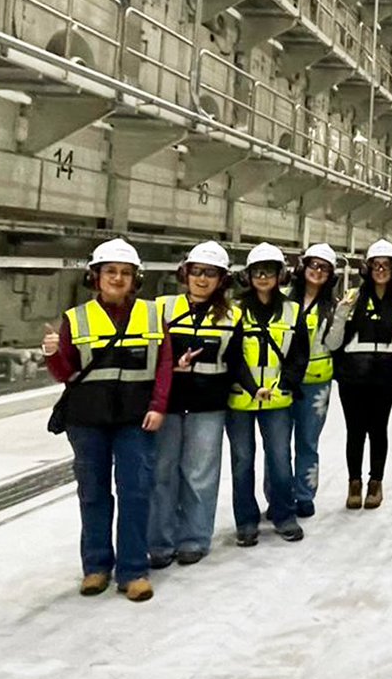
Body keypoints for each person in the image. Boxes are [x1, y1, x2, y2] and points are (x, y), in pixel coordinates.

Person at [41, 238, 171, 602]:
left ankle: (133, 571)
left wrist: (159, 405)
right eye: (110, 271)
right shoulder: (75, 318)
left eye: (125, 273)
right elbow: (66, 373)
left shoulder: (151, 314)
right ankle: (96, 567)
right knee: (93, 492)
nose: (118, 278)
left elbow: (163, 365)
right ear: (95, 277)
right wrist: (52, 354)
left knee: (135, 491)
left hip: (136, 418)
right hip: (87, 420)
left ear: (135, 279)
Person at [148, 240, 241, 569]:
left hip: (209, 405)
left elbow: (238, 362)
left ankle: (194, 539)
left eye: (211, 274)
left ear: (222, 280)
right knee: (162, 473)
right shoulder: (160, 308)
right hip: (168, 405)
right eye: (197, 272)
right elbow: (149, 355)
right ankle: (159, 542)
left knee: (200, 475)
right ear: (185, 274)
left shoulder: (233, 315)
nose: (202, 279)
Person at [226, 243, 310, 547]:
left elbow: (300, 354)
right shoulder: (234, 310)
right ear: (248, 276)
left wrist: (284, 383)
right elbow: (231, 356)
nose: (263, 277)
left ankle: (284, 515)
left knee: (279, 459)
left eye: (269, 272)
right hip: (240, 398)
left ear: (280, 276)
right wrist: (251, 387)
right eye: (257, 271)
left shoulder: (292, 310)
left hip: (277, 399)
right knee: (242, 460)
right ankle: (246, 522)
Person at [324, 239, 392, 510]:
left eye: (386, 265)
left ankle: (376, 481)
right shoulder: (352, 299)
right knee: (355, 430)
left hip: (384, 376)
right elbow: (333, 343)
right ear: (368, 268)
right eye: (376, 265)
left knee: (378, 429)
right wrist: (340, 316)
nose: (381, 270)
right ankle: (354, 482)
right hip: (353, 375)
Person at [285, 243, 337, 518]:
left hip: (316, 382)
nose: (317, 272)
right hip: (281, 381)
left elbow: (335, 343)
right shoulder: (283, 299)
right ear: (302, 267)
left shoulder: (334, 307)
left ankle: (304, 494)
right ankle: (280, 495)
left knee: (307, 441)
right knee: (279, 444)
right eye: (313, 265)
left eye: (324, 268)